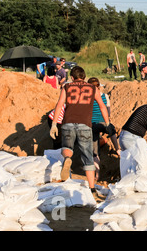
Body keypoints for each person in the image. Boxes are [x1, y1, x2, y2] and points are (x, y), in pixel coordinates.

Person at [50, 66, 110, 201]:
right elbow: (101, 105)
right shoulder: (92, 88)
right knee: (88, 158)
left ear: (72, 77)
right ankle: (92, 189)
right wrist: (108, 123)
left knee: (67, 148)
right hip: (85, 125)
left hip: (68, 123)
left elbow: (59, 105)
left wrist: (54, 124)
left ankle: (67, 159)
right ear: (84, 76)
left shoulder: (67, 87)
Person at [88, 77, 120, 181]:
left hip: (92, 125)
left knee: (95, 153)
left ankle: (97, 175)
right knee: (112, 131)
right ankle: (118, 149)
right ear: (99, 86)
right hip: (103, 122)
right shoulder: (105, 96)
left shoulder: (87, 97)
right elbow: (108, 113)